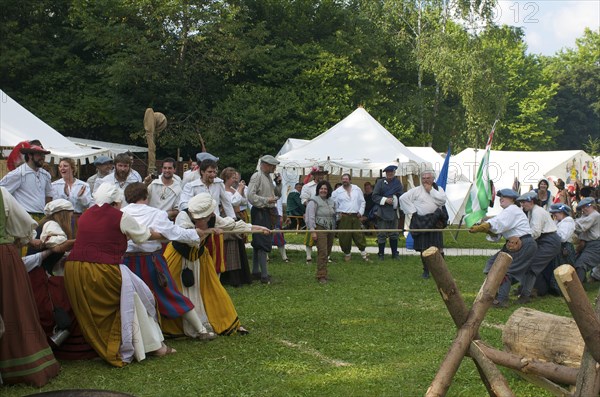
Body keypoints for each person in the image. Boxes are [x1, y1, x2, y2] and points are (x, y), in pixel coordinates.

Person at [64, 183, 175, 367]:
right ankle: (152, 345)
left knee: (91, 308)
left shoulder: (84, 216)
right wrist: (162, 234)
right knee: (136, 298)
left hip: (74, 268)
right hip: (102, 268)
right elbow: (142, 236)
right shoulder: (121, 216)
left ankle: (98, 344)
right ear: (116, 202)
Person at [162, 193, 270, 336]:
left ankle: (227, 322)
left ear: (209, 214)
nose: (199, 219)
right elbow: (186, 236)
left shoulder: (214, 218)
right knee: (171, 291)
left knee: (214, 290)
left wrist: (258, 228)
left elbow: (233, 225)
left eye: (202, 217)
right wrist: (208, 231)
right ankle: (173, 328)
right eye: (197, 217)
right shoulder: (183, 217)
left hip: (199, 259)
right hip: (177, 258)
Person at [121, 183, 216, 340]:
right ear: (146, 196)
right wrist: (195, 233)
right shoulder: (156, 213)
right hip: (151, 261)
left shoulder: (121, 213)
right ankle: (201, 330)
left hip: (126, 263)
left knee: (130, 299)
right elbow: (174, 232)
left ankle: (139, 337)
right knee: (170, 294)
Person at [0, 187, 60, 386]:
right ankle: (17, 366)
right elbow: (25, 224)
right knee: (12, 307)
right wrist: (26, 238)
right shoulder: (1, 193)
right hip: (3, 258)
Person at [25, 199, 97, 360]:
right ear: (63, 214)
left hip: (40, 274)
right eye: (70, 215)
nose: (71, 219)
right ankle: (63, 345)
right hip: (40, 278)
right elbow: (56, 246)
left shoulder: (46, 224)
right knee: (68, 303)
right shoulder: (52, 226)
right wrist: (82, 241)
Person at [469, 189, 537, 308]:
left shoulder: (512, 209)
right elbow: (498, 232)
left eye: (505, 196)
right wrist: (484, 229)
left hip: (522, 243)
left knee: (505, 271)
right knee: (492, 263)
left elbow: (498, 222)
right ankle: (493, 294)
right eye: (500, 196)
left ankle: (501, 300)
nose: (501, 198)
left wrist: (487, 225)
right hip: (513, 244)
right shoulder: (507, 212)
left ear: (513, 199)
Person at [179, 158, 234, 273]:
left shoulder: (218, 184)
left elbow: (226, 202)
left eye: (215, 172)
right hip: (199, 227)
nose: (213, 175)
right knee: (199, 258)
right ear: (202, 172)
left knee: (216, 259)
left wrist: (232, 219)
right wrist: (196, 214)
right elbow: (183, 204)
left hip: (215, 223)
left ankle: (214, 282)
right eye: (210, 172)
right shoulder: (191, 186)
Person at [514, 191, 561, 303]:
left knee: (532, 266)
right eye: (521, 202)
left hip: (549, 241)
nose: (522, 205)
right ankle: (530, 289)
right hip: (545, 240)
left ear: (531, 201)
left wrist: (521, 241)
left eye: (524, 202)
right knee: (530, 264)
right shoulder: (532, 211)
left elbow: (535, 232)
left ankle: (526, 294)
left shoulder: (537, 212)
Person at [400, 170, 447, 277]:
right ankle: (426, 271)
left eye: (428, 178)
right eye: (423, 178)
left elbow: (442, 201)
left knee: (438, 247)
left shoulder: (438, 189)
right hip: (421, 221)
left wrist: (431, 190)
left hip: (436, 221)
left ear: (433, 179)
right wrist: (412, 211)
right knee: (423, 247)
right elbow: (403, 198)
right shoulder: (416, 191)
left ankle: (440, 271)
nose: (425, 180)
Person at [247, 155, 282, 284]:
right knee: (262, 241)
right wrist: (266, 200)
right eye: (273, 165)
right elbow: (250, 196)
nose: (275, 168)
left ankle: (256, 272)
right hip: (260, 211)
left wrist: (279, 184)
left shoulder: (268, 177)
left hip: (267, 211)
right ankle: (264, 276)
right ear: (266, 165)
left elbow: (277, 194)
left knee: (259, 242)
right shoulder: (257, 176)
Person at [0, 143, 52, 220]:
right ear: (30, 155)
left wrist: (48, 214)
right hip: (23, 216)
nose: (42, 157)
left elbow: (48, 196)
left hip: (42, 216)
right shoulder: (18, 173)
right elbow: (2, 191)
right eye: (39, 155)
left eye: (43, 155)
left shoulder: (46, 175)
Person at [534, 203, 576, 297]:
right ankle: (550, 288)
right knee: (553, 268)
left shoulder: (568, 221)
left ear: (562, 212)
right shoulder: (558, 221)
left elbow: (563, 237)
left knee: (561, 269)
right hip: (557, 248)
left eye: (556, 213)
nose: (554, 215)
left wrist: (551, 235)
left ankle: (561, 290)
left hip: (564, 249)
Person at [220, 167, 252, 287]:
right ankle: (228, 277)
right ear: (227, 177)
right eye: (233, 177)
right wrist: (239, 189)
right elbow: (232, 202)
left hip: (235, 218)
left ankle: (238, 276)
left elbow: (243, 202)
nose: (235, 179)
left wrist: (241, 191)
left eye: (235, 177)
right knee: (229, 247)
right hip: (226, 220)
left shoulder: (233, 189)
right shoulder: (223, 189)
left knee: (236, 247)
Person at [332, 173, 369, 262]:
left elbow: (362, 202)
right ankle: (347, 254)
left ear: (350, 180)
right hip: (344, 216)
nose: (345, 180)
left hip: (355, 216)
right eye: (343, 179)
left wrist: (361, 212)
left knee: (359, 235)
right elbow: (333, 204)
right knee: (344, 236)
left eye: (346, 179)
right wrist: (338, 214)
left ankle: (364, 255)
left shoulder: (357, 189)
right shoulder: (337, 192)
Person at [306, 180, 336, 284]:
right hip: (320, 227)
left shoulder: (331, 201)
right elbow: (310, 216)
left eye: (325, 189)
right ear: (318, 190)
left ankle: (324, 272)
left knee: (327, 251)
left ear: (328, 191)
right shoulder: (313, 201)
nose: (323, 190)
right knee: (322, 251)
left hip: (330, 228)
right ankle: (321, 275)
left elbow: (334, 214)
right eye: (321, 188)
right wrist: (313, 231)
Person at [372, 165, 404, 261]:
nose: (390, 174)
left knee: (394, 233)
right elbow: (374, 196)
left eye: (392, 172)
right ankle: (381, 254)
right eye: (388, 172)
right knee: (382, 234)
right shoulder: (380, 183)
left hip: (394, 212)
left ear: (394, 173)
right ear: (386, 173)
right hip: (382, 212)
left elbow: (401, 195)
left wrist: (396, 199)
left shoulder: (398, 183)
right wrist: (385, 200)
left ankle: (395, 253)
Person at [300, 166, 329, 263]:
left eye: (322, 174)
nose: (321, 176)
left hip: (324, 215)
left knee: (323, 236)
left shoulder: (327, 186)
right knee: (310, 235)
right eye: (318, 174)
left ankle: (324, 255)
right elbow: (304, 200)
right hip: (311, 213)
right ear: (314, 175)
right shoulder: (307, 186)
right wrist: (311, 208)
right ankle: (308, 256)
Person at [51, 157, 92, 224]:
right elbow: (54, 205)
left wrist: (80, 197)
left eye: (65, 166)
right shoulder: (54, 185)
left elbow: (87, 204)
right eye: (60, 166)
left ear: (72, 168)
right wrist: (65, 195)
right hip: (60, 219)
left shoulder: (83, 185)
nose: (62, 168)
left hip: (77, 219)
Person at [573, 197, 600, 282]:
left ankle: (577, 288)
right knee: (574, 262)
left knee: (581, 264)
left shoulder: (595, 215)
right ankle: (581, 281)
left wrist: (568, 222)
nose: (585, 208)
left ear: (593, 206)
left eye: (587, 206)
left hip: (595, 245)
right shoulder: (585, 216)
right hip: (586, 244)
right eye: (582, 207)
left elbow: (580, 227)